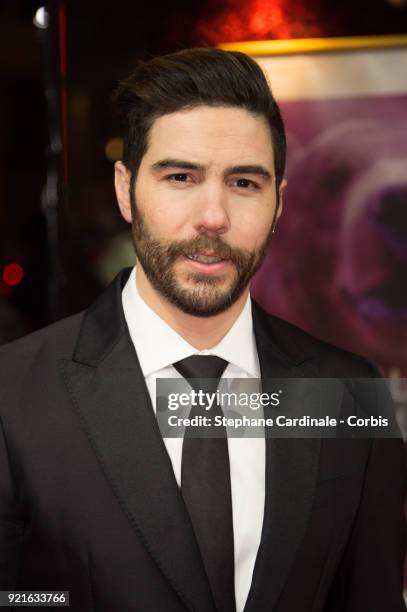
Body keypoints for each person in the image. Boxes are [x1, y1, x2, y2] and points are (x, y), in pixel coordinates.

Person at [0, 48, 405, 612]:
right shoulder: (13, 395)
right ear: (125, 189)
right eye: (181, 177)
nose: (213, 215)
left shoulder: (346, 395)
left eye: (243, 183)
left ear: (279, 202)